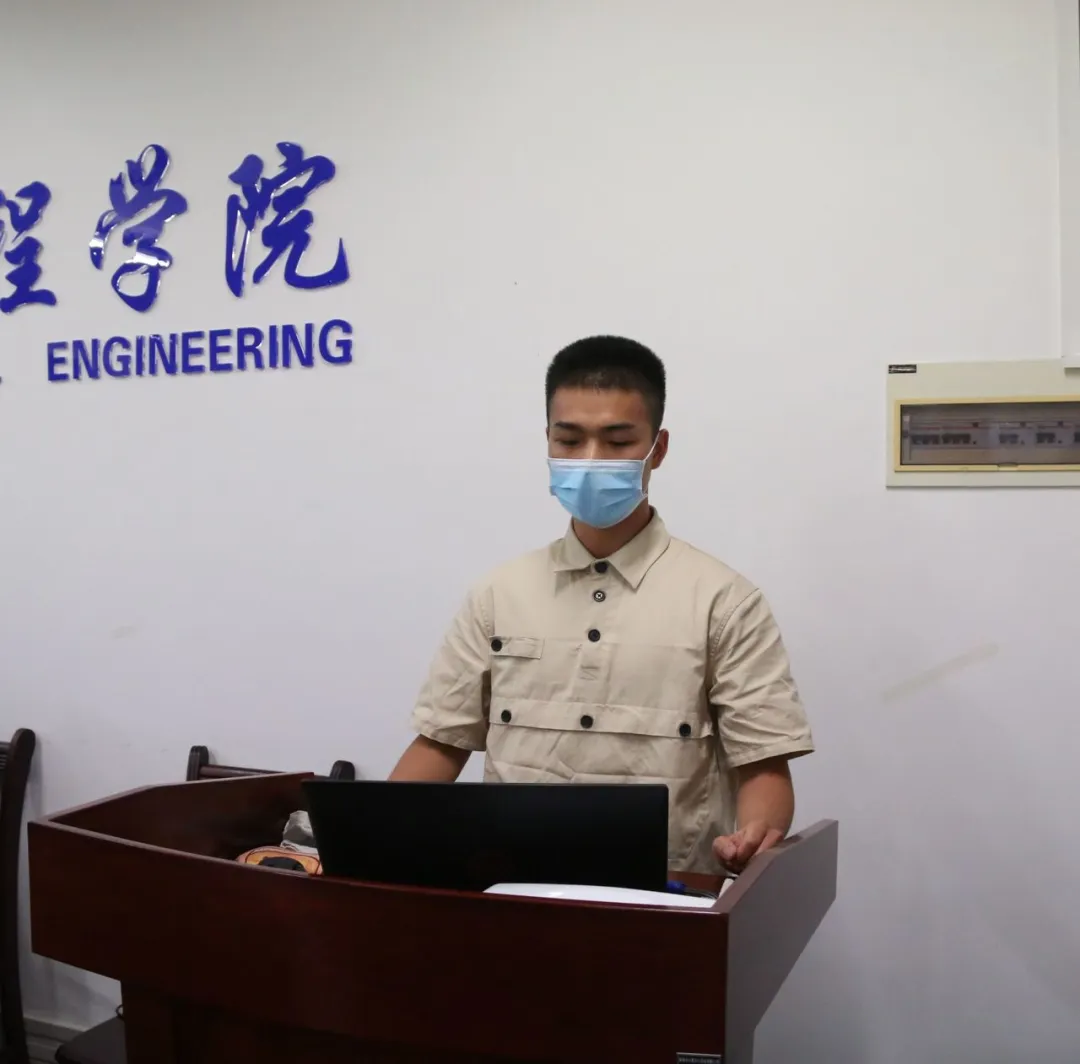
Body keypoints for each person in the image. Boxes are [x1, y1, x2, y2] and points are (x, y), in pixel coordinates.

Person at [390, 335, 813, 873]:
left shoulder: (725, 602)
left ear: (657, 448)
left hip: (662, 898)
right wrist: (371, 836)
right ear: (548, 442)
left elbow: (763, 764)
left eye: (617, 442)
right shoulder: (497, 595)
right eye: (569, 440)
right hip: (511, 891)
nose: (590, 460)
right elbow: (441, 743)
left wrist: (754, 838)